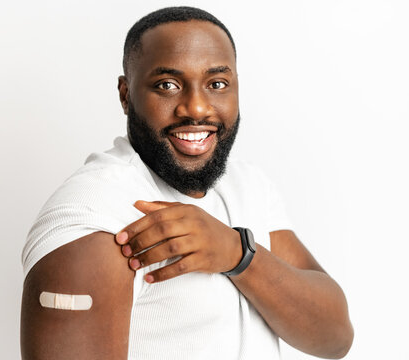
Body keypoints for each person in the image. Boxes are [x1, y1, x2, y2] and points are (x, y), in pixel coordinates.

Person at [20, 6, 353, 360]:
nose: (196, 107)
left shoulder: (247, 185)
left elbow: (334, 338)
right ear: (125, 95)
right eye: (168, 85)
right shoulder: (96, 213)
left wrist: (237, 254)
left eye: (217, 84)